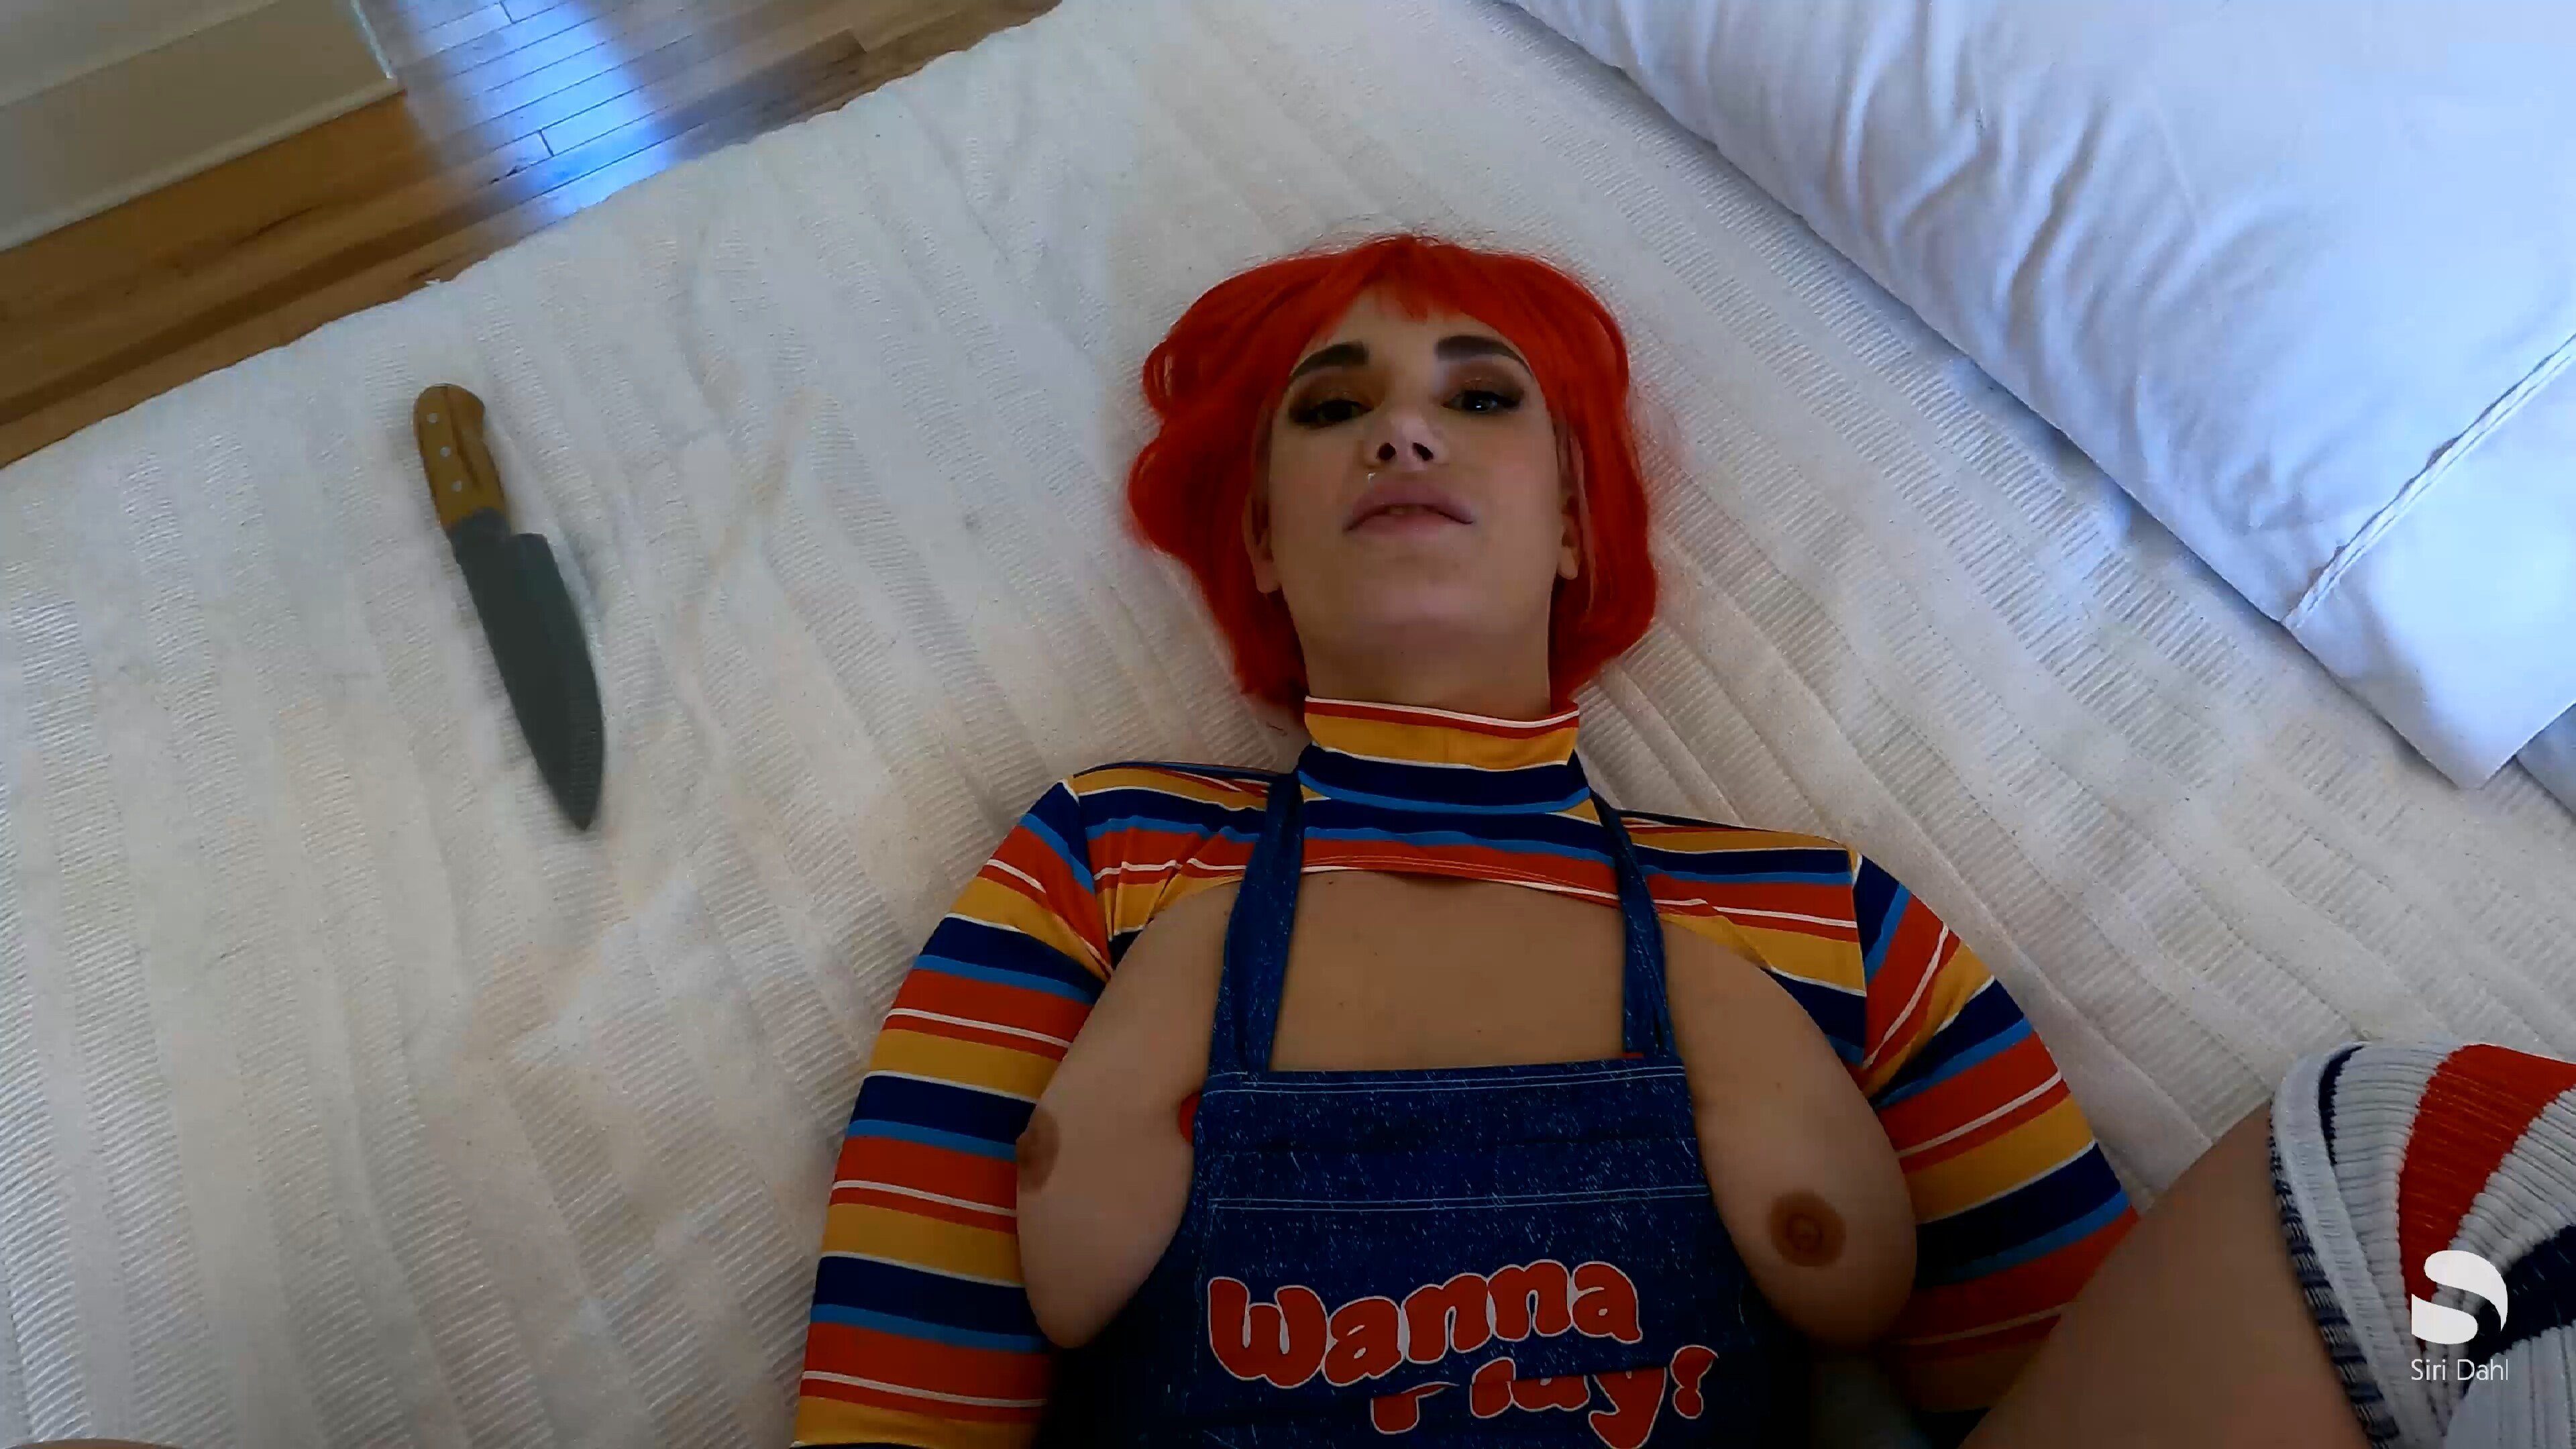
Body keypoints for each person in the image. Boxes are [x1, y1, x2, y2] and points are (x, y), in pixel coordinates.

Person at [789, 235, 2576, 1448]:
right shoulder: (1102, 860)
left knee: (2465, 1160)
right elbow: (897, 1397)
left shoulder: (1833, 921)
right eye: (1329, 408)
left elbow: (2093, 1378)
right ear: (1257, 543)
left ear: (1577, 524)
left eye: (1482, 397)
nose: (1401, 426)